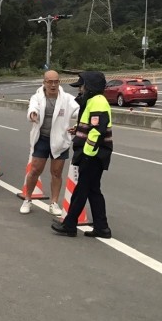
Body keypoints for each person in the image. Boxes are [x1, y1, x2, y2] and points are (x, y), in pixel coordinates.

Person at [51, 70, 113, 238]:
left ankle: (70, 225)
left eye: (82, 86)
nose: (80, 89)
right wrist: (78, 130)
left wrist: (87, 153)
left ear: (90, 86)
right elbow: (90, 127)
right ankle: (102, 227)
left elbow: (97, 131)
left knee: (81, 191)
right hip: (94, 154)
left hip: (93, 155)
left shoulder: (98, 102)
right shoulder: (93, 101)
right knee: (93, 191)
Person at [20, 70, 80, 216]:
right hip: (42, 139)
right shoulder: (37, 96)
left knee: (56, 173)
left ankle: (53, 203)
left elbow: (82, 111)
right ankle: (27, 199)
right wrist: (32, 114)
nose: (53, 85)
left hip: (60, 141)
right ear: (44, 83)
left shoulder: (66, 98)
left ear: (59, 82)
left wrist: (79, 126)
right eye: (50, 82)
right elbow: (32, 107)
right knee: (34, 171)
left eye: (56, 81)